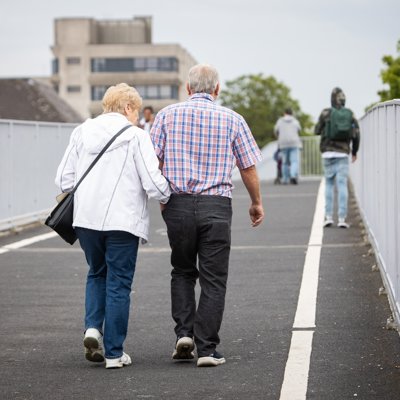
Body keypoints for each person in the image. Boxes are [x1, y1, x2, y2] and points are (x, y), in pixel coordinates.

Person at [151, 64, 264, 368]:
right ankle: (207, 349)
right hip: (216, 205)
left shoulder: (166, 116)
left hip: (178, 205)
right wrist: (256, 202)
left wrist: (163, 197)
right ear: (217, 89)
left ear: (188, 89)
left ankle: (184, 334)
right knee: (214, 279)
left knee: (183, 270)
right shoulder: (233, 119)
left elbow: (152, 162)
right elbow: (248, 166)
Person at [55, 83, 170, 369]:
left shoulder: (82, 131)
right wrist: (169, 194)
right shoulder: (136, 136)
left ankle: (93, 329)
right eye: (135, 111)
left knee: (97, 273)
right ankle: (115, 354)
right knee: (119, 282)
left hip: (86, 220)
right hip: (123, 221)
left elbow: (63, 181)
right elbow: (153, 184)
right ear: (129, 108)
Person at [315, 87, 360, 228]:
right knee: (342, 185)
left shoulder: (325, 113)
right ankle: (341, 218)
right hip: (343, 153)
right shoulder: (350, 114)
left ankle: (328, 217)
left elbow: (316, 131)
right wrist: (354, 152)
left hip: (327, 152)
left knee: (329, 184)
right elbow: (356, 134)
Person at [274, 108, 302, 184]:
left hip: (283, 143)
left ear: (284, 113)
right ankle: (293, 176)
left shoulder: (280, 121)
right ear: (291, 113)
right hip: (294, 142)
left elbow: (276, 131)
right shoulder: (295, 121)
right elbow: (299, 130)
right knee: (294, 161)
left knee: (285, 162)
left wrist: (280, 138)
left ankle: (285, 179)